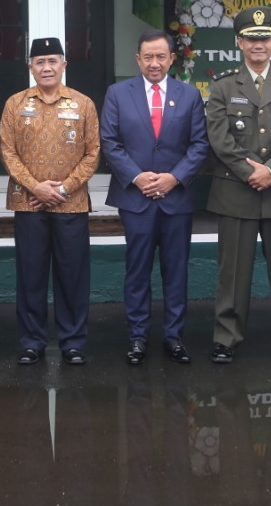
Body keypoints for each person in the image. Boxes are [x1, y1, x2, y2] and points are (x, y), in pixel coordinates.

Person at [205, 6, 271, 365]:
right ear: (239, 42)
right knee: (232, 272)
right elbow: (219, 138)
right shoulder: (223, 86)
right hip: (236, 190)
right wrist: (249, 171)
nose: (258, 45)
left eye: (264, 38)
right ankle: (226, 338)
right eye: (251, 39)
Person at [101, 29, 209, 365]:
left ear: (172, 58)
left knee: (176, 270)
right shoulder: (118, 93)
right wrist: (137, 177)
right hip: (137, 199)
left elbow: (199, 144)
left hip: (176, 199)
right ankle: (137, 336)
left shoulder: (189, 95)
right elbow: (110, 142)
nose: (154, 63)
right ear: (138, 59)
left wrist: (174, 178)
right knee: (137, 270)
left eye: (161, 56)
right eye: (148, 56)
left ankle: (174, 336)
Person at [0, 37, 101, 366]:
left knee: (73, 275)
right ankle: (32, 342)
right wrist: (35, 187)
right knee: (31, 275)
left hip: (71, 203)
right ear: (30, 66)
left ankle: (73, 342)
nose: (46, 67)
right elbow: (7, 152)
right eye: (40, 62)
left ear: (64, 65)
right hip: (29, 203)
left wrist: (63, 189)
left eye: (52, 61)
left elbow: (93, 153)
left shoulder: (83, 103)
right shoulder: (15, 103)